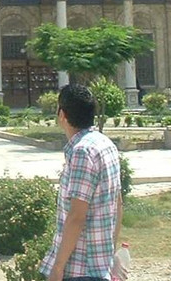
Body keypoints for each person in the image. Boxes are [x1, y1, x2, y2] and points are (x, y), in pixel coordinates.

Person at [40, 83, 125, 281]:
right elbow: (118, 203)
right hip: (99, 266)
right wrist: (110, 253)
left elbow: (77, 215)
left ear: (62, 115)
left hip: (80, 269)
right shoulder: (105, 144)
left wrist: (57, 268)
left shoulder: (82, 152)